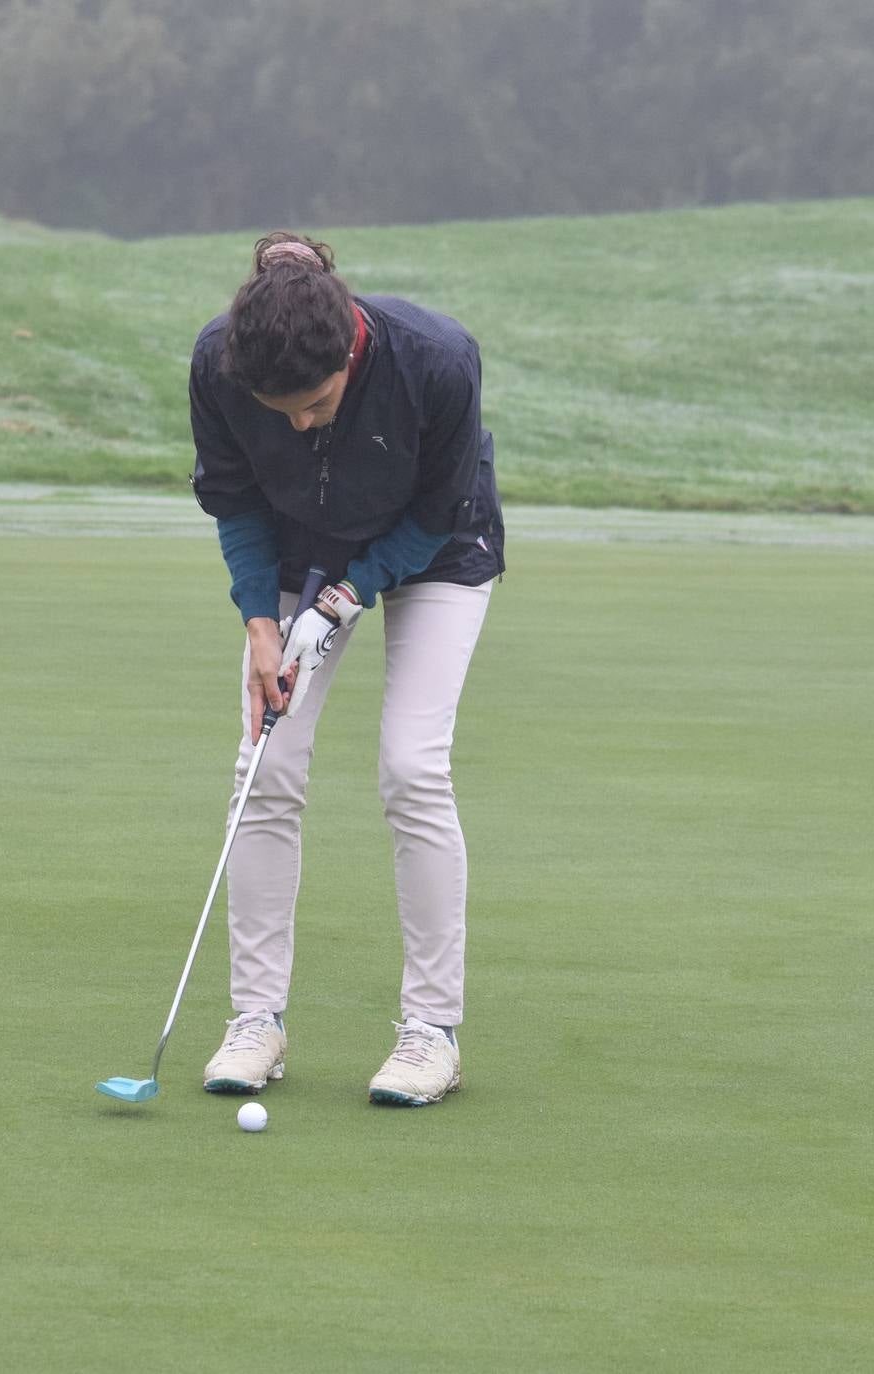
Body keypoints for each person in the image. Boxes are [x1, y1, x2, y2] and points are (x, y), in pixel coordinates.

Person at [187, 231, 504, 1106]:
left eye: (316, 405)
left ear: (350, 355)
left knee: (411, 765)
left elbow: (439, 506)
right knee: (263, 767)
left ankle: (429, 1031)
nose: (298, 424)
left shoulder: (436, 362)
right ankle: (255, 1020)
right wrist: (260, 619)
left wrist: (349, 597)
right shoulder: (218, 363)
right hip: (296, 551)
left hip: (437, 548)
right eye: (277, 410)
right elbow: (235, 495)